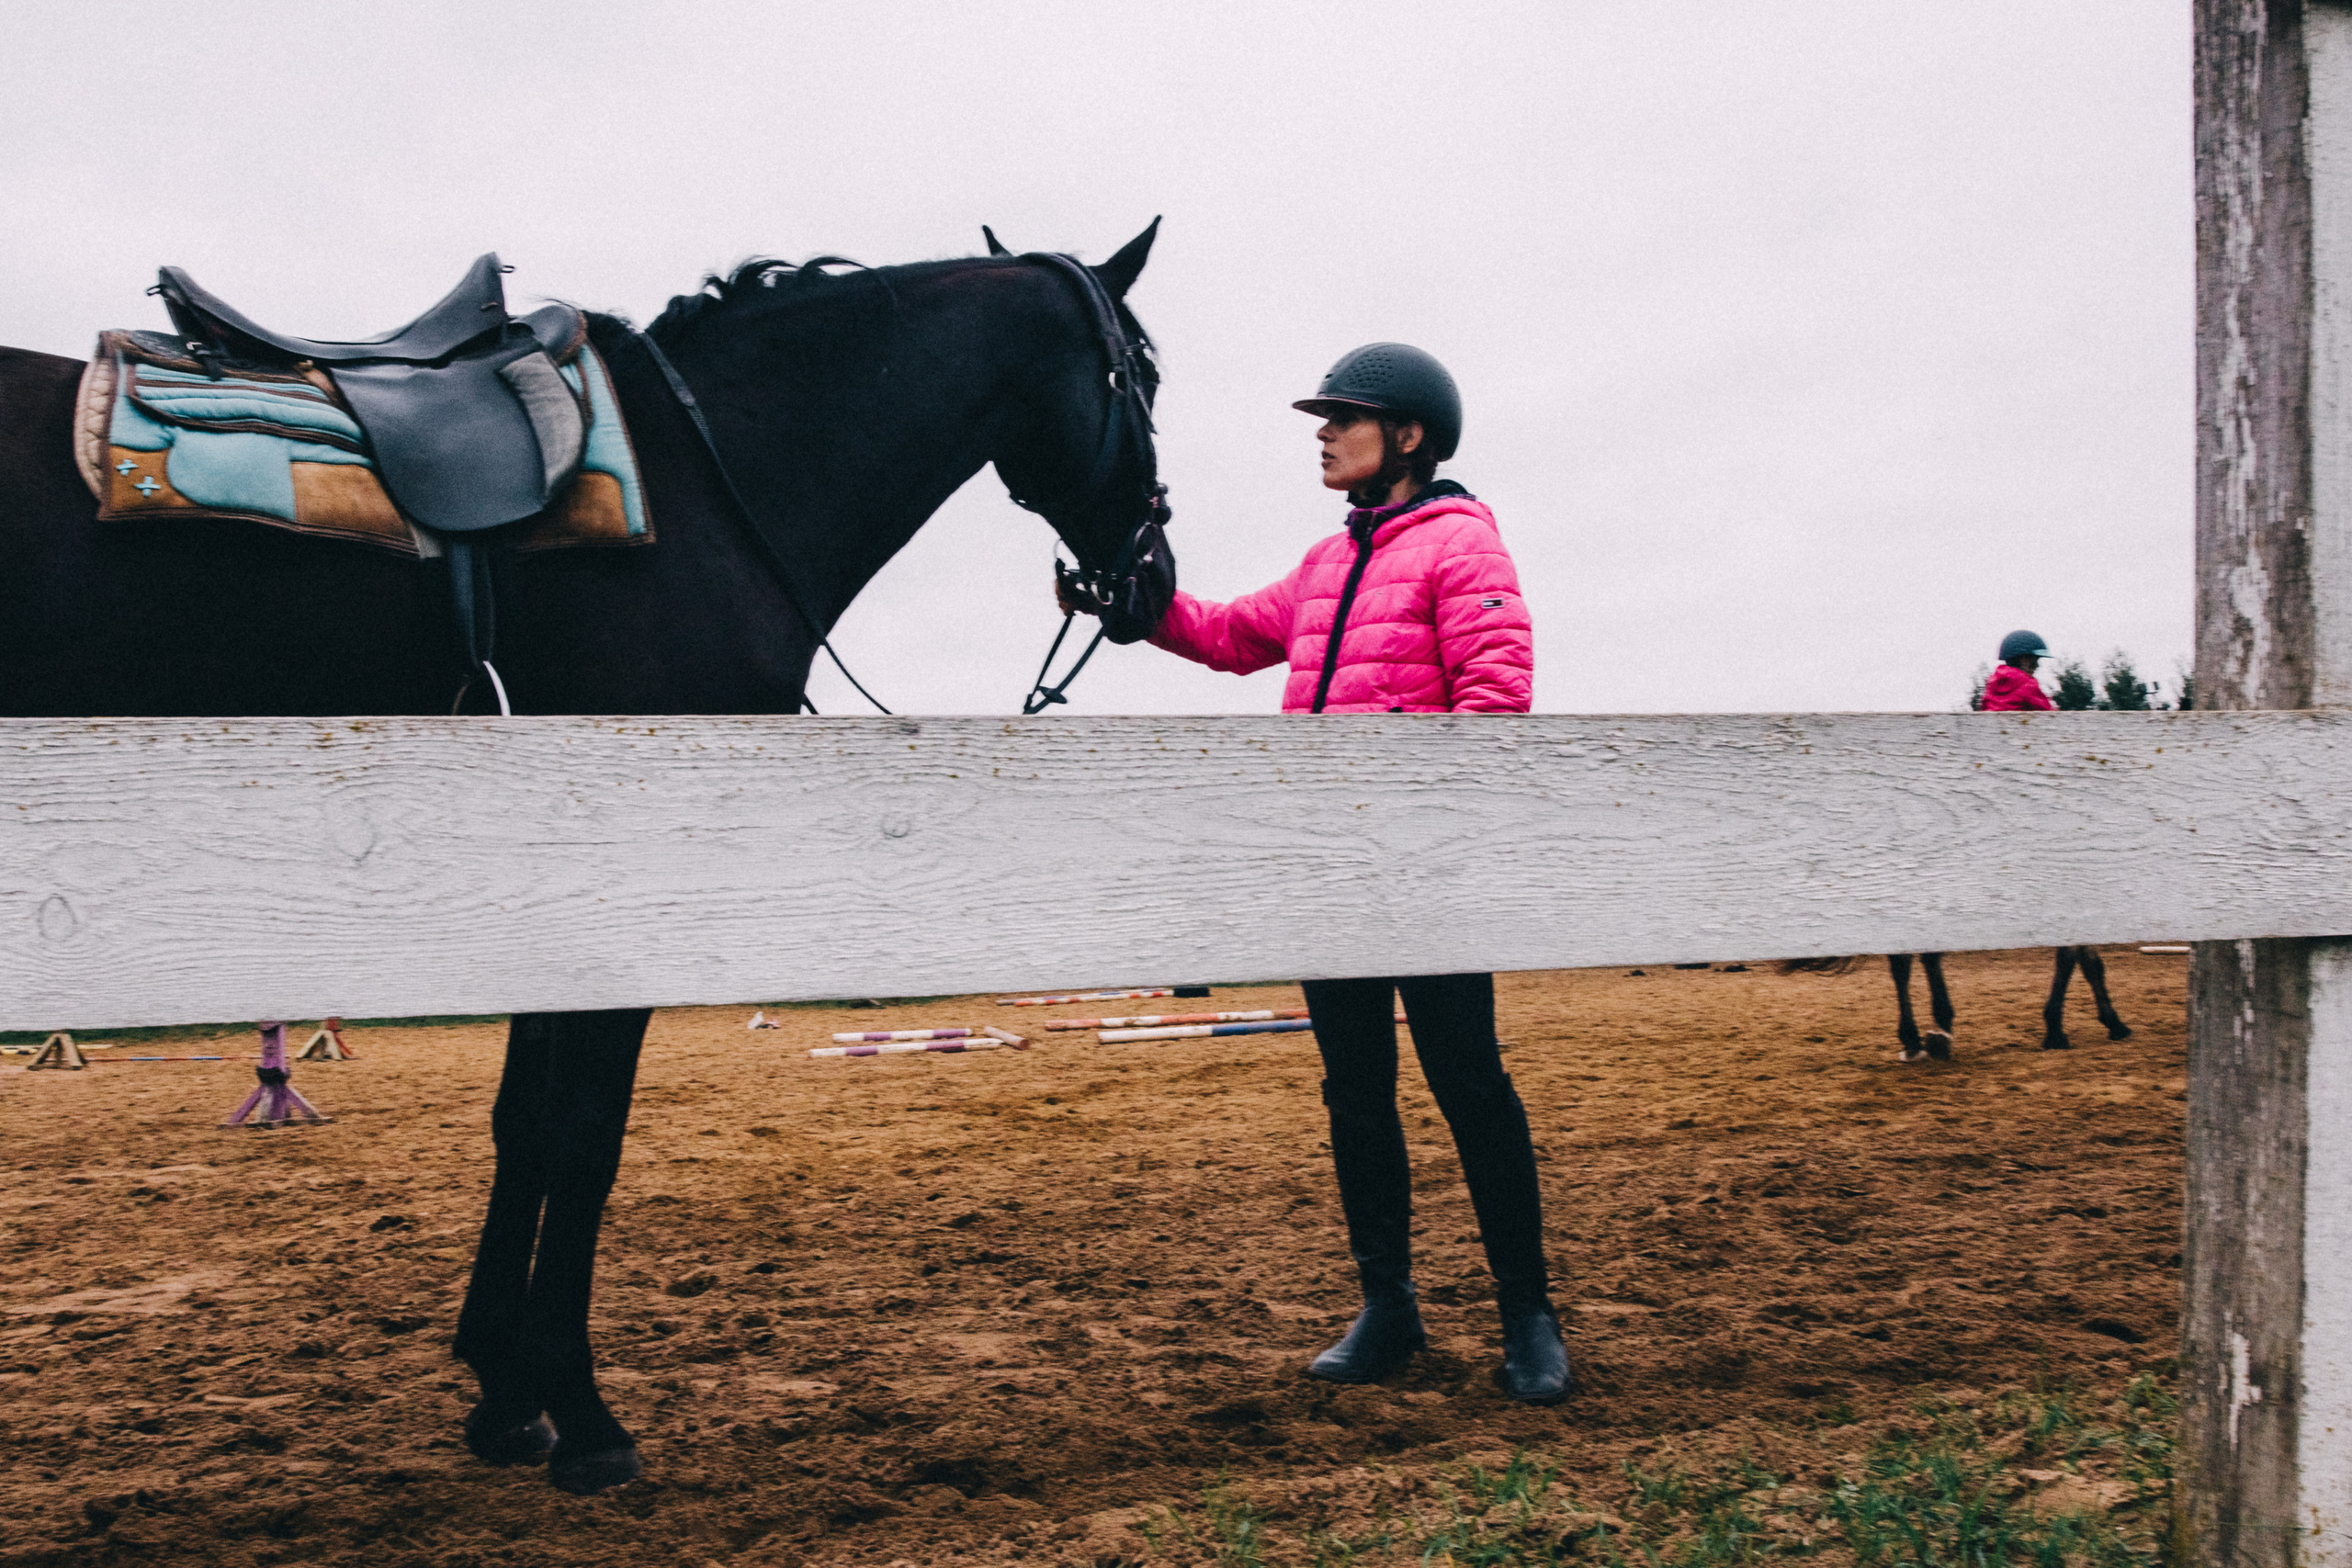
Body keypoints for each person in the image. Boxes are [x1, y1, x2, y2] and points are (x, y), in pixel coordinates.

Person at [1057, 343, 1569, 1403]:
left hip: (1423, 883)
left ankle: (1528, 1314)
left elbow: (1493, 704)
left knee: (1471, 1088)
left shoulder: (1464, 547)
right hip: (1329, 881)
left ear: (1409, 437)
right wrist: (1136, 604)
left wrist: (1445, 852)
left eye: (1344, 417)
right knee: (1356, 1096)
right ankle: (1389, 1308)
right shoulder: (1325, 564)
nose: (1323, 433)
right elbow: (1231, 634)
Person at [1982, 630, 2055, 712]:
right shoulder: (2029, 686)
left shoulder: (1992, 686)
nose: (2037, 666)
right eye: (2035, 660)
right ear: (2024, 660)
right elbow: (2048, 713)